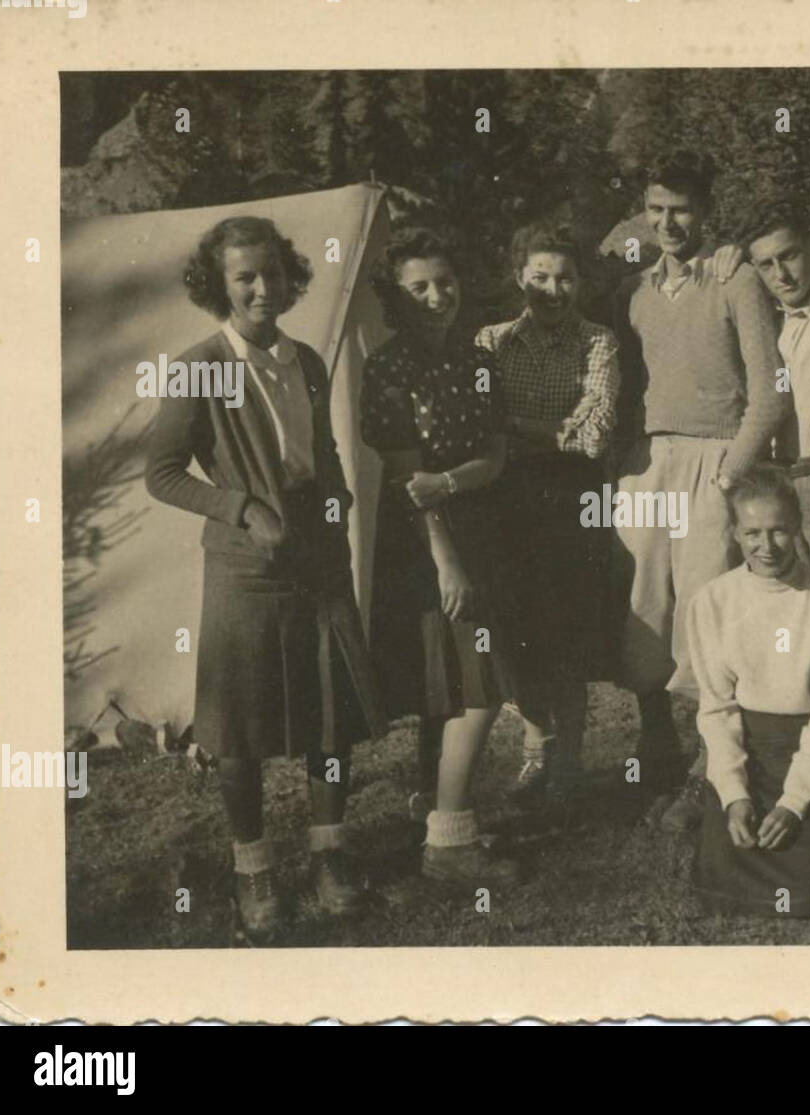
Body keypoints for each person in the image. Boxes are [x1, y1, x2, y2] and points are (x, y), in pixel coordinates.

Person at [145, 216, 387, 941]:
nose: (260, 287)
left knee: (330, 720)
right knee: (239, 729)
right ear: (218, 286)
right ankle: (254, 870)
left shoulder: (307, 361)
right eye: (244, 276)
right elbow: (159, 473)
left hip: (317, 558)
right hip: (246, 570)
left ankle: (329, 854)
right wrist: (241, 506)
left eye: (271, 273)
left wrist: (338, 504)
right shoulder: (199, 367)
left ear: (289, 278)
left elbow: (327, 450)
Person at [610, 150, 791, 832]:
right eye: (655, 208)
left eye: (681, 209)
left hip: (717, 462)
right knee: (642, 603)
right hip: (649, 462)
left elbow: (770, 393)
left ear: (705, 210)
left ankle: (708, 770)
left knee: (706, 610)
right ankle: (654, 737)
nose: (667, 222)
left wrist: (728, 475)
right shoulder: (635, 288)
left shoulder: (735, 278)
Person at [360, 227, 520, 885]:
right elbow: (407, 478)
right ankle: (449, 841)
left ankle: (437, 807)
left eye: (444, 281)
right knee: (476, 687)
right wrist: (445, 556)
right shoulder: (388, 369)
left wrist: (453, 482)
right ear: (396, 300)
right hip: (424, 538)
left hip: (478, 520)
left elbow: (496, 452)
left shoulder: (479, 360)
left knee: (463, 679)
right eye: (419, 287)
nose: (436, 296)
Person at [475, 220, 620, 811]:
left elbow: (596, 437)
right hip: (505, 498)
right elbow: (482, 424)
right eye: (540, 277)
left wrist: (518, 431)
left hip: (572, 500)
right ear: (519, 279)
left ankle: (570, 762)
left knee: (568, 632)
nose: (552, 290)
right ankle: (537, 745)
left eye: (565, 278)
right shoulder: (491, 342)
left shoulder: (599, 342)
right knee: (514, 632)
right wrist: (553, 430)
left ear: (581, 283)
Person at [685, 465, 810, 918]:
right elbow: (717, 710)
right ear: (735, 533)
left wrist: (795, 804)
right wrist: (735, 794)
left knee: (807, 897)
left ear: (797, 526)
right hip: (747, 748)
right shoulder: (712, 602)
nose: (766, 546)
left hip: (807, 752)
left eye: (778, 531)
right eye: (753, 533)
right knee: (718, 881)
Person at [734, 198, 810, 544]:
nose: (780, 275)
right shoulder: (762, 321)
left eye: (789, 256)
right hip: (769, 483)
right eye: (766, 265)